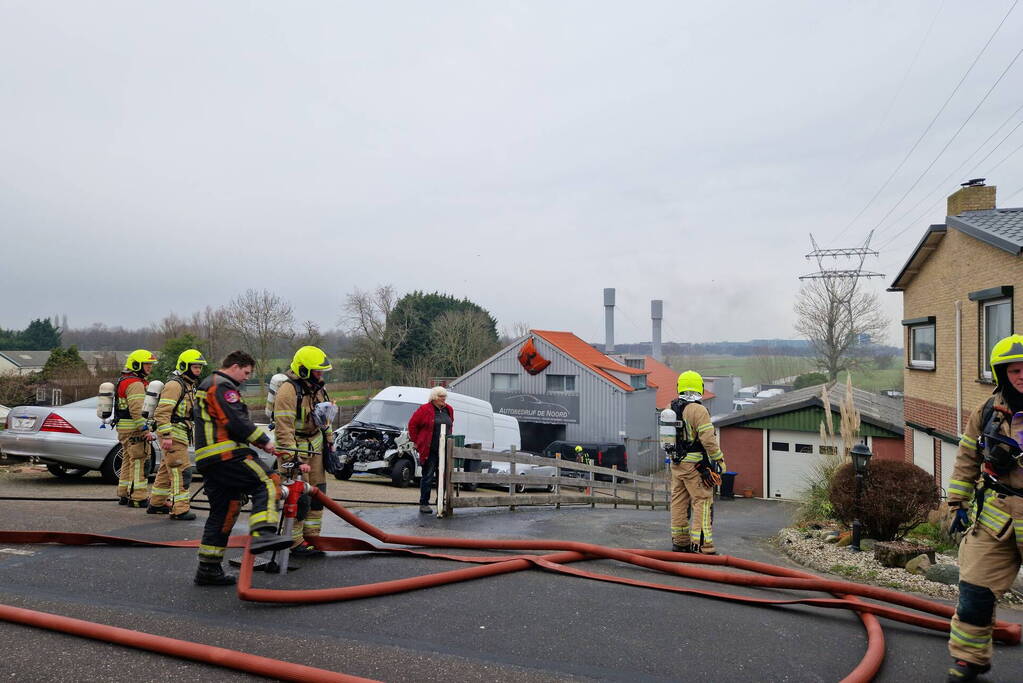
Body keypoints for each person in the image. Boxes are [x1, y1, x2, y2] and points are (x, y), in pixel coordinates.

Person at [944, 334, 1023, 682]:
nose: (1022, 375)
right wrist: (957, 503)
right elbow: (966, 459)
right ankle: (969, 659)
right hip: (997, 516)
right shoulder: (987, 412)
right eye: (1015, 369)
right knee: (974, 590)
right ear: (1002, 373)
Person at [191, 350, 291, 586]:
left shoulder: (210, 385)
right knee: (268, 481)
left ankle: (208, 568)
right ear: (235, 366)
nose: (246, 378)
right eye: (246, 372)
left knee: (225, 511)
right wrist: (265, 442)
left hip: (210, 459)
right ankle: (263, 534)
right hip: (225, 454)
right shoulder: (221, 386)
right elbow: (235, 421)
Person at [273, 345, 333, 557]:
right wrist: (292, 459)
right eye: (317, 371)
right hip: (295, 449)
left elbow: (325, 417)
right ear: (304, 370)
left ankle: (311, 537)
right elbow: (283, 428)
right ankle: (292, 541)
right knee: (299, 498)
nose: (321, 375)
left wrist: (330, 442)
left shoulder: (318, 389)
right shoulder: (288, 391)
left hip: (315, 448)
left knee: (318, 493)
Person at [666, 370, 725, 555]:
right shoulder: (698, 410)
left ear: (680, 387)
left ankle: (680, 542)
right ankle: (702, 545)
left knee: (678, 502)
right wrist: (719, 460)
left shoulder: (671, 408)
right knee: (703, 501)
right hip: (695, 466)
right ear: (699, 387)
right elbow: (708, 439)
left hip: (676, 464)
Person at [147, 349, 206, 520]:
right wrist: (166, 435)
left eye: (200, 368)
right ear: (184, 366)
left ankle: (156, 504)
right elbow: (162, 412)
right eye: (195, 367)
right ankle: (180, 509)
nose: (198, 371)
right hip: (174, 432)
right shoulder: (175, 385)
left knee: (167, 469)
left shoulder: (189, 385)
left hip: (181, 432)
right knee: (182, 471)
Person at [114, 349, 158, 507]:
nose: (149, 367)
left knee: (128, 460)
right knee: (140, 461)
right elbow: (137, 410)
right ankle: (138, 497)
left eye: (150, 364)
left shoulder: (124, 380)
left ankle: (124, 494)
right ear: (136, 364)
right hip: (135, 430)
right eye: (146, 364)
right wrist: (145, 430)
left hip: (124, 429)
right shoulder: (135, 384)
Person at [408, 386, 453, 514]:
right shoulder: (424, 409)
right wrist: (416, 441)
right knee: (427, 476)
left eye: (444, 396)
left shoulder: (449, 410)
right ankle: (424, 503)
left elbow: (450, 426)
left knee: (443, 477)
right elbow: (412, 425)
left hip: (445, 450)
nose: (443, 398)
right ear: (434, 398)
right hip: (429, 450)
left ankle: (441, 501)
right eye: (440, 396)